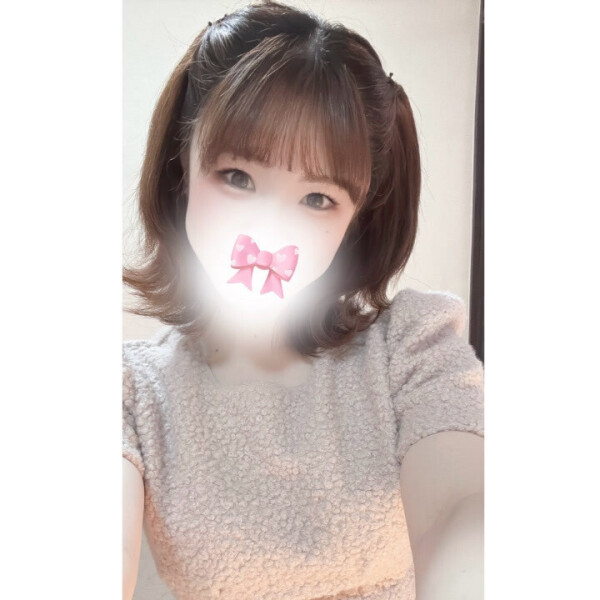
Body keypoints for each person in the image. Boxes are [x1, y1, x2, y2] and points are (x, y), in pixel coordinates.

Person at [122, 1, 484, 599]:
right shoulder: (131, 392)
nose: (269, 233)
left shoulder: (412, 349)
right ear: (181, 167)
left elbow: (464, 513)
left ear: (355, 219)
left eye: (318, 199)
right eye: (237, 177)